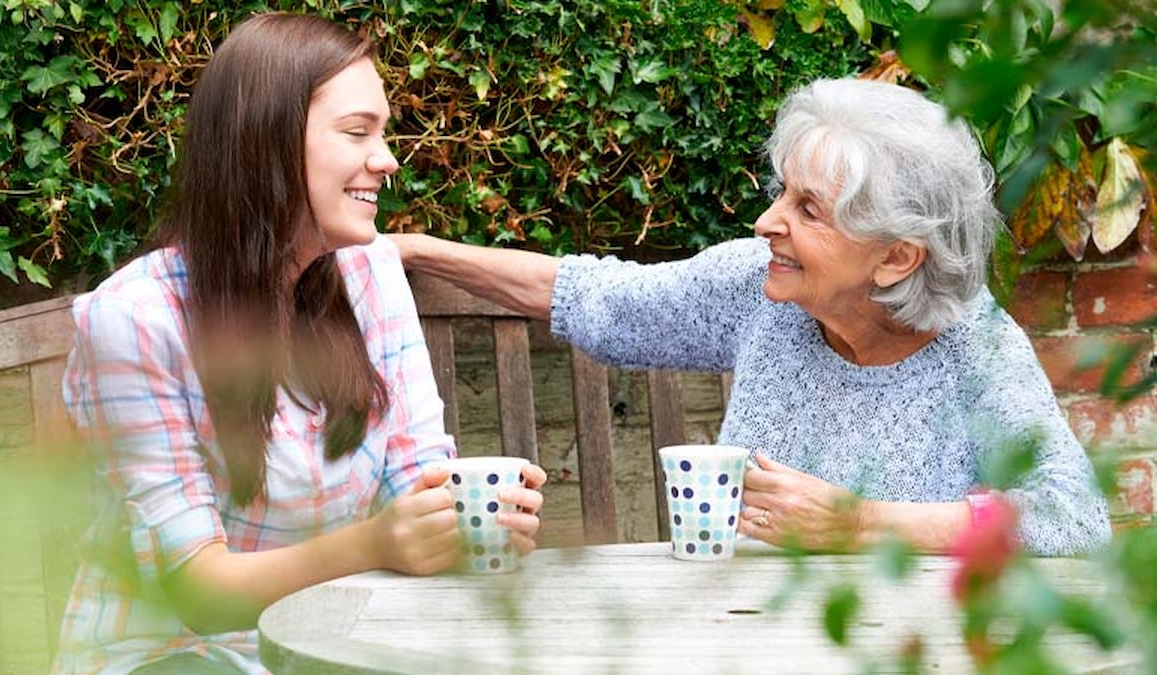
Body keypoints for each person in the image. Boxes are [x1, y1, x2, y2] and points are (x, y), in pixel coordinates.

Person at [391, 77, 1112, 558]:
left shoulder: (974, 349)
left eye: (807, 209)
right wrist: (416, 250)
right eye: (781, 192)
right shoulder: (760, 288)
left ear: (895, 258)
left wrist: (860, 523)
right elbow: (599, 298)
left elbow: (1076, 516)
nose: (767, 221)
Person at [54, 12, 545, 674]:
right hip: (171, 655)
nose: (388, 159)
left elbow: (415, 476)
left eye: (384, 131)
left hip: (332, 644)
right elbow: (197, 589)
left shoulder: (369, 274)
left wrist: (464, 518)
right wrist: (375, 544)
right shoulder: (135, 319)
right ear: (268, 143)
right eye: (356, 132)